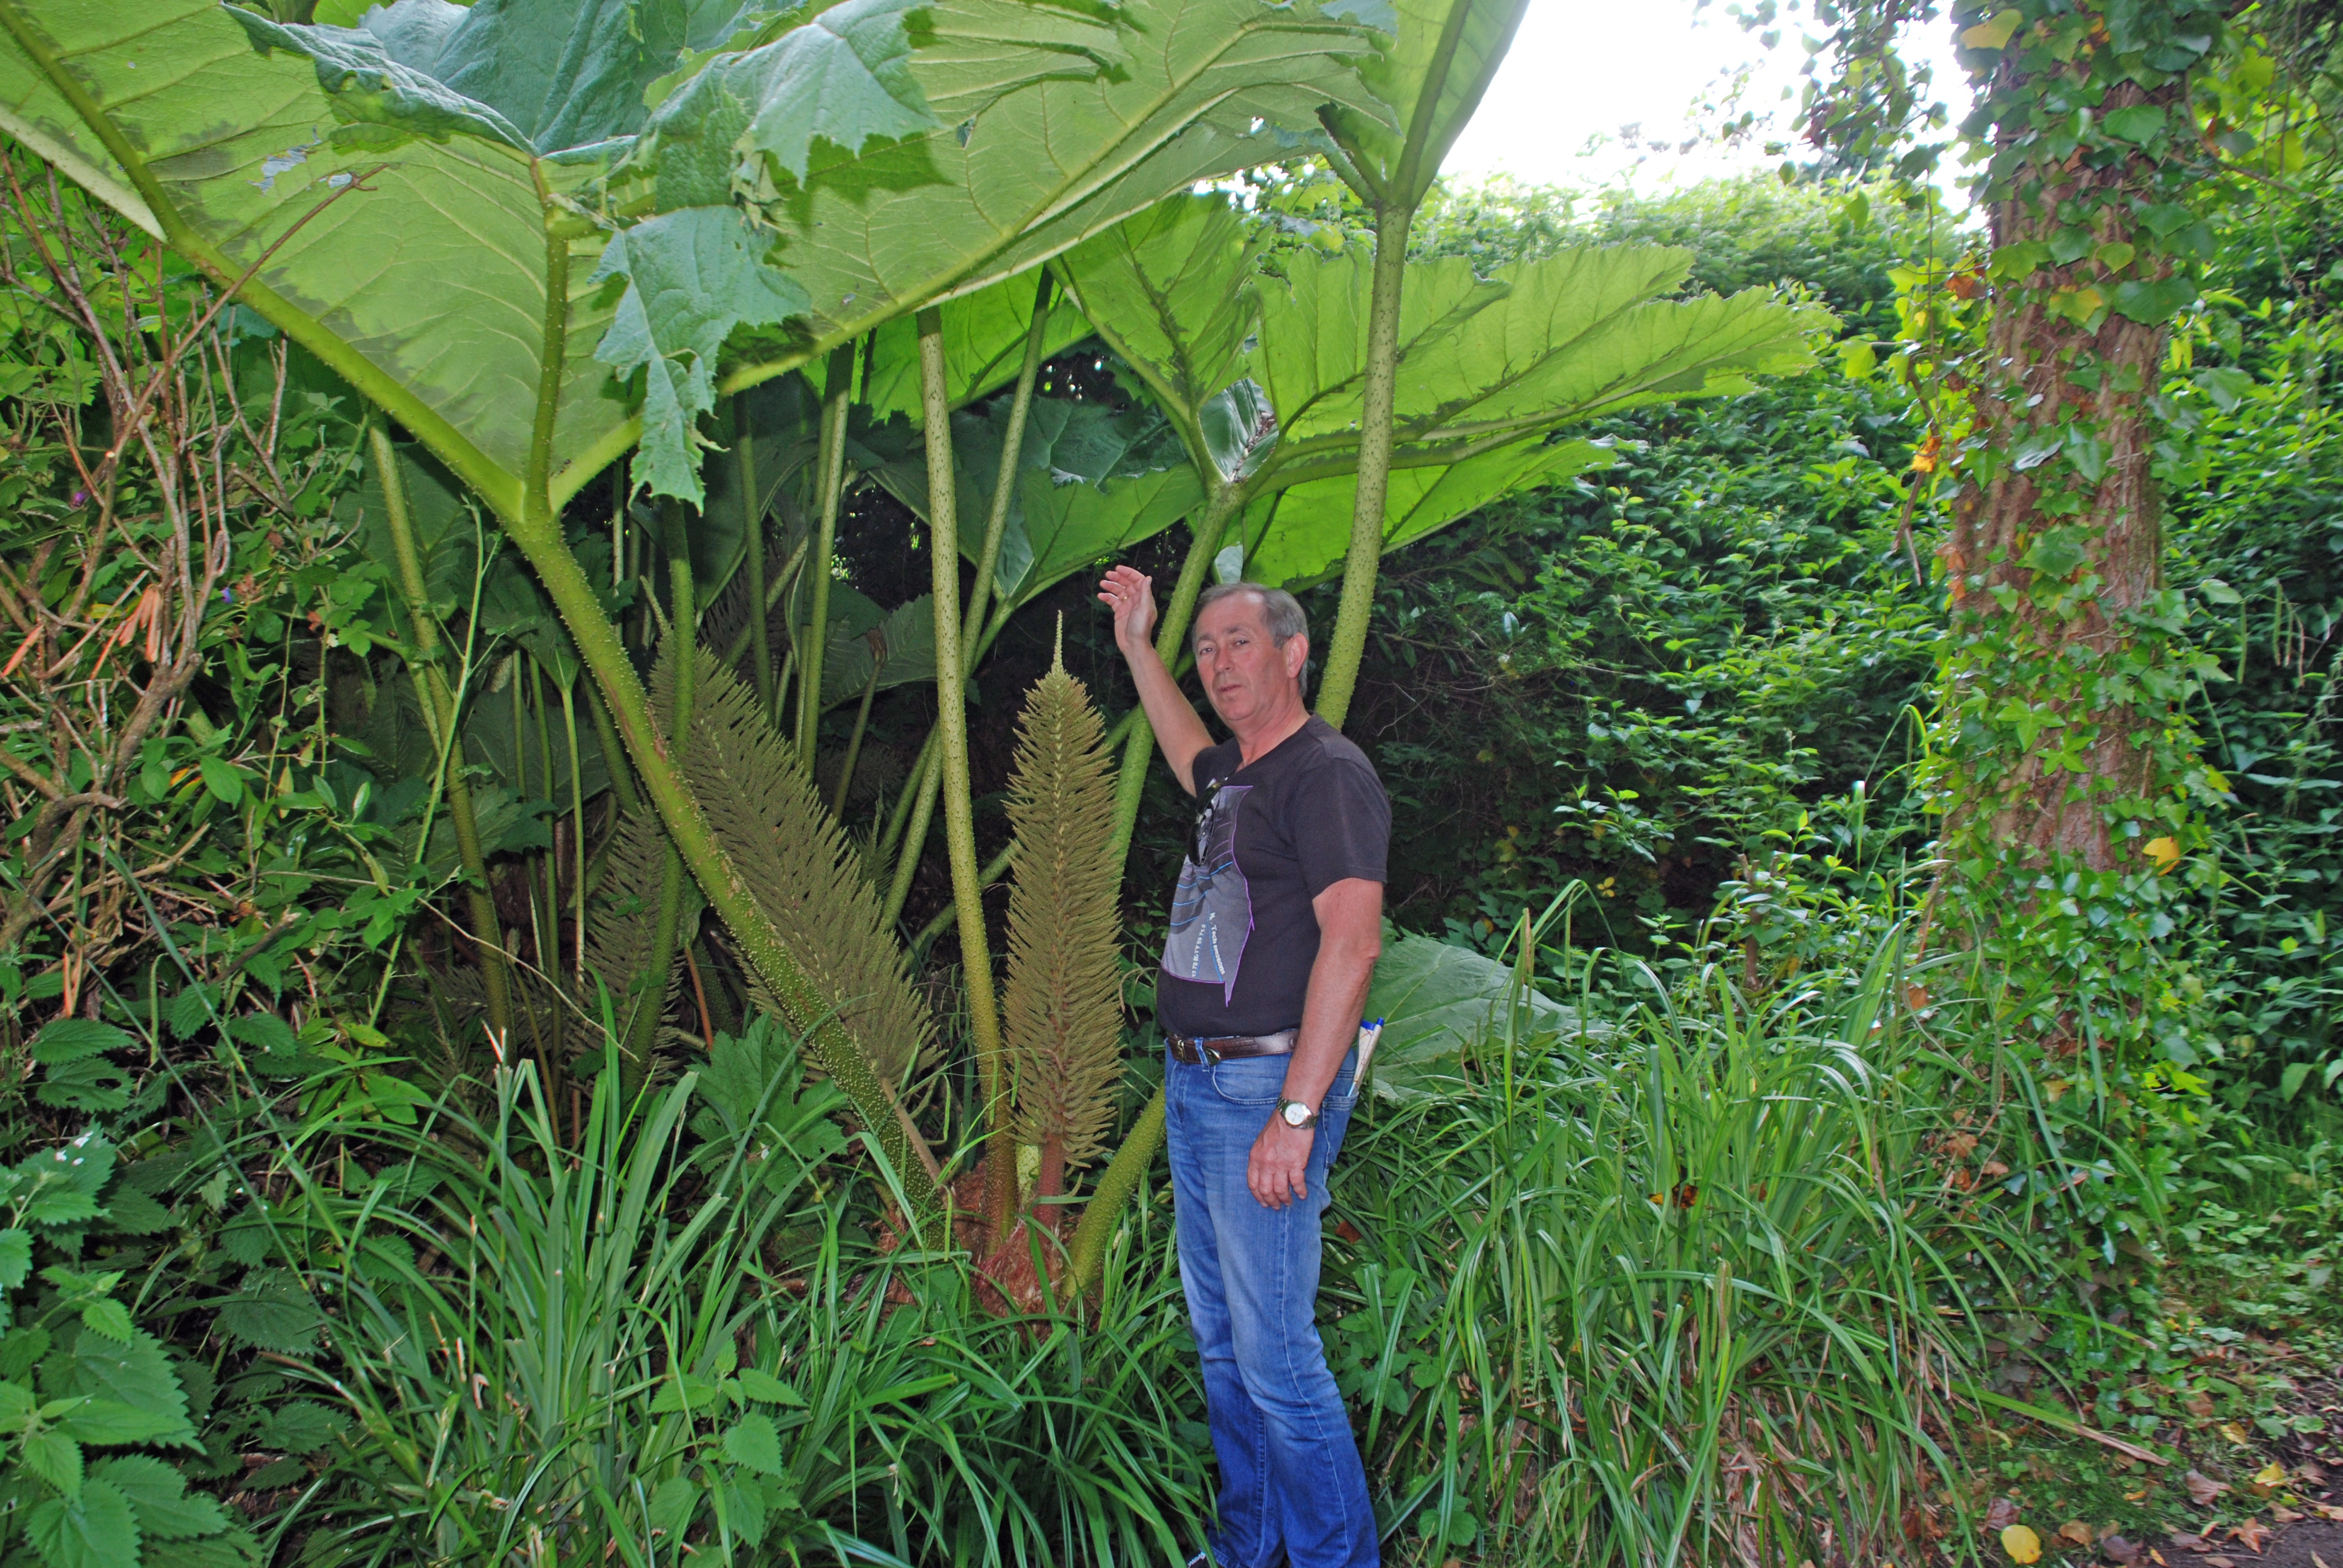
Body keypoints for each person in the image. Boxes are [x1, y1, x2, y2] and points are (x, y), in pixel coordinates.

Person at [1096, 565, 1389, 1568]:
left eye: (1240, 643)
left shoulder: (1325, 774)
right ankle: (1251, 1546)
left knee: (1276, 1361)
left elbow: (1352, 946)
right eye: (1208, 646)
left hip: (1266, 1089)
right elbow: (1187, 747)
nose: (1219, 662)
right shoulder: (1239, 775)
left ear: (1294, 654)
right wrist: (1140, 644)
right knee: (1224, 1347)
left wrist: (1297, 1117)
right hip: (1196, 1083)